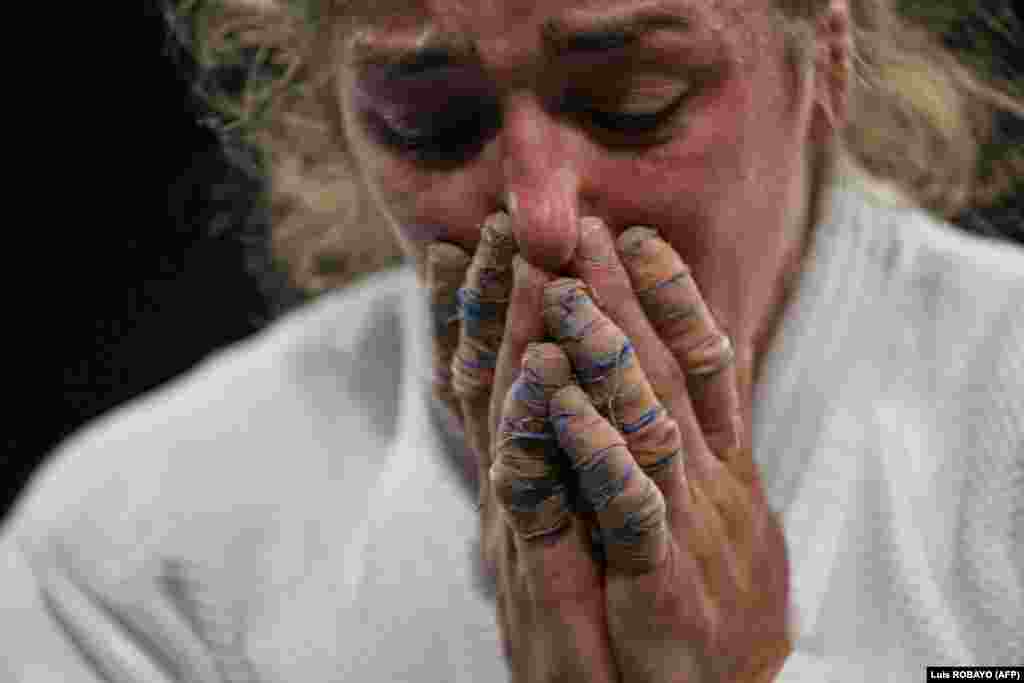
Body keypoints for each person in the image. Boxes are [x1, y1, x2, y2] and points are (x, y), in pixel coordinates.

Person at [2, 0, 1022, 680]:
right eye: (429, 119)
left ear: (826, 55)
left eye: (634, 101)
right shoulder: (136, 561)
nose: (538, 215)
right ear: (333, 114)